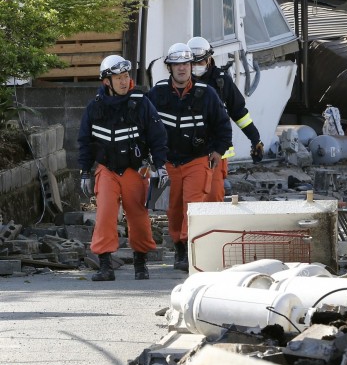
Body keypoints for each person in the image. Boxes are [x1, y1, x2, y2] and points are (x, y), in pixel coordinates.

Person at [78, 55, 169, 282]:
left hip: (135, 169)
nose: (123, 81)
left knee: (138, 217)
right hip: (107, 170)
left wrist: (161, 165)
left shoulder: (141, 103)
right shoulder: (94, 108)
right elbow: (84, 141)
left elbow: (158, 136)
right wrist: (85, 172)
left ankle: (141, 263)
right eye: (118, 77)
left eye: (126, 76)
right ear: (106, 81)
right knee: (105, 214)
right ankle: (106, 265)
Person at [147, 43, 232, 271]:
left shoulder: (207, 94)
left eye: (186, 64)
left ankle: (188, 248)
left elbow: (223, 126)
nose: (182, 69)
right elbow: (143, 124)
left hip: (197, 159)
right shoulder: (157, 94)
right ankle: (178, 247)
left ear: (191, 66)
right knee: (173, 209)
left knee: (192, 206)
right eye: (177, 65)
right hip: (168, 161)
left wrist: (218, 151)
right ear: (169, 68)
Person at [187, 36, 264, 202]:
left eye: (199, 63)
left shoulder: (221, 81)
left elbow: (239, 113)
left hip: (216, 150)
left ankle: (214, 227)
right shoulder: (180, 82)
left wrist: (255, 139)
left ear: (209, 59)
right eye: (192, 63)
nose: (195, 68)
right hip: (187, 151)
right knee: (191, 200)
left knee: (214, 195)